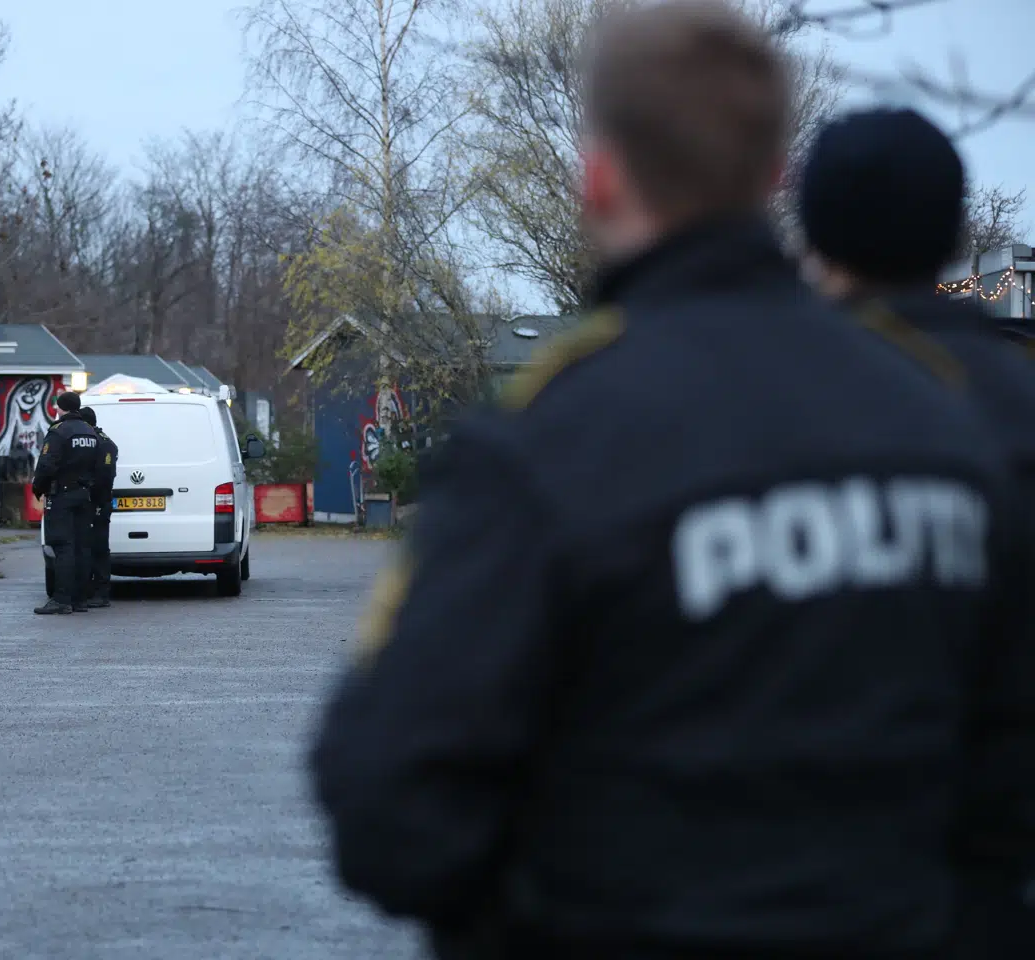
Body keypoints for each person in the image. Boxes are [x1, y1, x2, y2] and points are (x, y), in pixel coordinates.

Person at [309, 3, 1028, 958]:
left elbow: (387, 799)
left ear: (598, 178)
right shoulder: (935, 420)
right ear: (773, 174)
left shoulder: (547, 443)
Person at [797, 106, 1035, 958]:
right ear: (951, 231)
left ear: (817, 240)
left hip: (814, 874)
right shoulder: (1017, 398)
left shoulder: (774, 410)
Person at [32, 391, 101, 615]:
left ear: (59, 408)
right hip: (84, 495)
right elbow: (99, 466)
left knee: (63, 547)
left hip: (61, 496)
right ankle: (80, 599)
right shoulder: (91, 432)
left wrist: (38, 488)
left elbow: (46, 465)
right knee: (82, 547)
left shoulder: (59, 432)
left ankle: (62, 599)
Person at [78, 405, 118, 608]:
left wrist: (96, 500)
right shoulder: (98, 440)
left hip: (98, 502)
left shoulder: (101, 443)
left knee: (99, 548)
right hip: (92, 501)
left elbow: (104, 476)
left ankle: (101, 593)